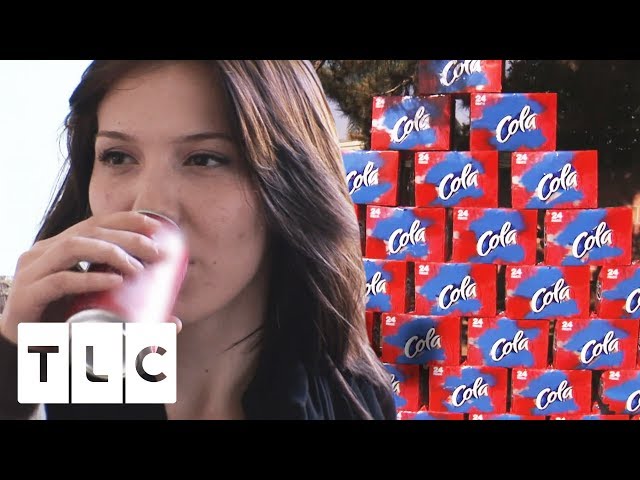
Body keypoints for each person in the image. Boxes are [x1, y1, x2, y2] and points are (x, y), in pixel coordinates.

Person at [0, 60, 396, 420]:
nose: (149, 206)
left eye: (205, 159)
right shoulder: (71, 370)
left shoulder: (350, 400)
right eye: (117, 157)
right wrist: (12, 371)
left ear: (291, 185)